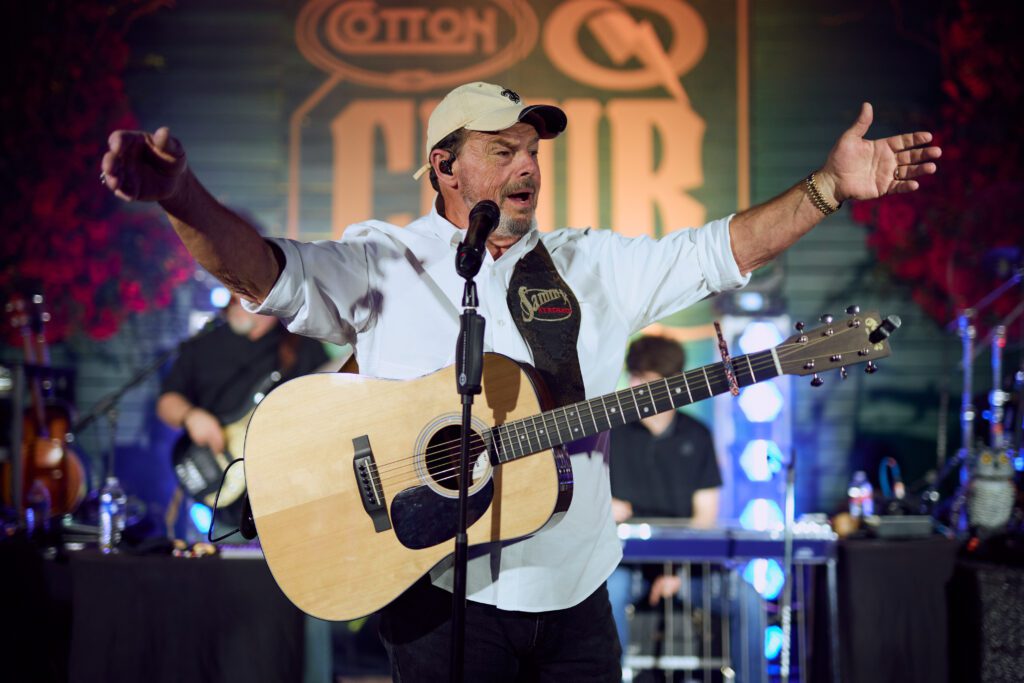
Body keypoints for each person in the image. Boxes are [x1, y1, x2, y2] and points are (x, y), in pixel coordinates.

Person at [101, 81, 940, 681]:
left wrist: (829, 188)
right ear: (445, 166)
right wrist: (181, 196)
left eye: (533, 151)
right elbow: (260, 272)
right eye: (503, 150)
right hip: (435, 598)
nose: (527, 165)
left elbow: (723, 249)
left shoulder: (590, 265)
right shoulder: (383, 260)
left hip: (577, 598)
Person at [607, 335, 761, 680]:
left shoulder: (697, 435)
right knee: (608, 595)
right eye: (633, 377)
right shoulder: (610, 434)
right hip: (624, 564)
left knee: (748, 601)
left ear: (671, 384)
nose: (634, 387)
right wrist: (604, 508)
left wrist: (678, 575)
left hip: (688, 569)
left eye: (645, 380)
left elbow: (705, 518)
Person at [157, 294, 329, 530]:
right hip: (219, 497)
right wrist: (191, 417)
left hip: (281, 496)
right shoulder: (204, 343)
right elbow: (166, 402)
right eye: (232, 298)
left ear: (267, 302)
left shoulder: (302, 347)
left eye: (242, 298)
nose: (234, 304)